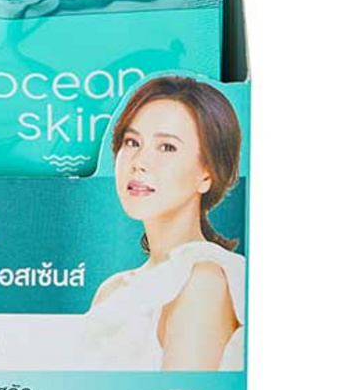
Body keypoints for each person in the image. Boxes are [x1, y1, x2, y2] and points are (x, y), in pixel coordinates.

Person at [85, 76, 245, 370]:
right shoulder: (113, 290)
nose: (139, 162)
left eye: (167, 147)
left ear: (208, 174)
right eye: (132, 142)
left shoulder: (204, 281)